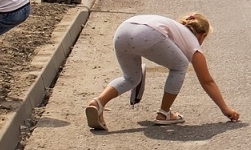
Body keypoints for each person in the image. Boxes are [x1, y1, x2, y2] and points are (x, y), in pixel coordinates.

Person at [83, 12, 239, 130]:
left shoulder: (175, 28)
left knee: (131, 78)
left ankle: (97, 103)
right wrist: (225, 109)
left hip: (123, 30)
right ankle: (164, 113)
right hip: (148, 33)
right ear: (202, 35)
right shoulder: (193, 43)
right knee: (180, 65)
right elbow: (207, 81)